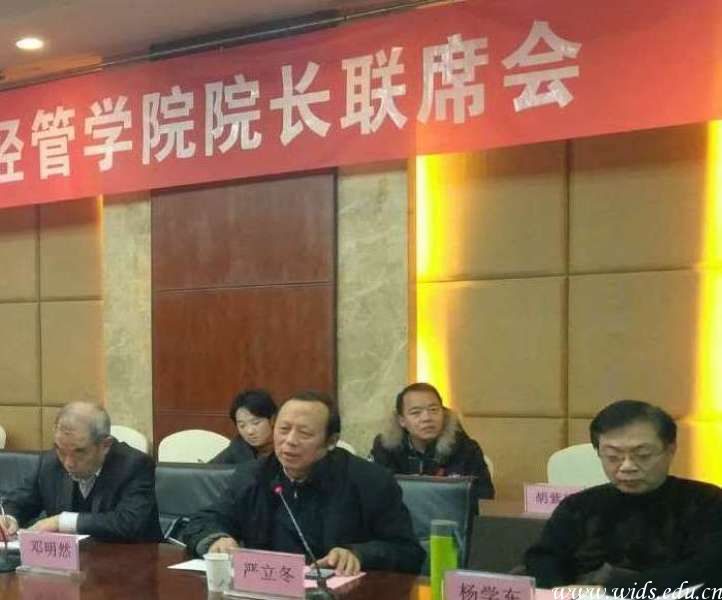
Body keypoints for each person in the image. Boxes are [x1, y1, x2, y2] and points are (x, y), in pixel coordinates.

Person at [184, 390, 425, 575]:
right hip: (266, 589)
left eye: (304, 433)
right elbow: (202, 521)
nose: (290, 441)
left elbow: (408, 553)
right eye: (283, 429)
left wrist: (358, 554)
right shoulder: (253, 475)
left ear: (331, 441)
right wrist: (216, 539)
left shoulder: (370, 481)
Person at [525, 399, 722, 592]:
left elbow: (706, 568)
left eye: (643, 455)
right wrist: (562, 592)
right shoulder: (578, 505)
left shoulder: (707, 502)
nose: (627, 467)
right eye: (613, 457)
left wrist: (609, 591)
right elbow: (542, 559)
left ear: (671, 450)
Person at [0, 401, 162, 542]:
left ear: (105, 445)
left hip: (132, 561)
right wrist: (9, 518)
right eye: (61, 450)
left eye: (79, 452)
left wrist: (61, 522)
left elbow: (128, 523)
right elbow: (18, 502)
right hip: (68, 563)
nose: (68, 463)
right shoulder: (50, 463)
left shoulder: (135, 465)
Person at [370, 382, 494, 500]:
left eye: (433, 410)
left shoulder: (466, 449)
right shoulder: (385, 449)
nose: (427, 418)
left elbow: (484, 496)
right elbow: (376, 494)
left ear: (443, 414)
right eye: (416, 413)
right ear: (402, 420)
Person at [210, 389, 276, 464]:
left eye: (256, 423)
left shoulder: (285, 446)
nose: (249, 431)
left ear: (272, 419)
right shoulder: (239, 447)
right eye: (242, 426)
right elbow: (208, 469)